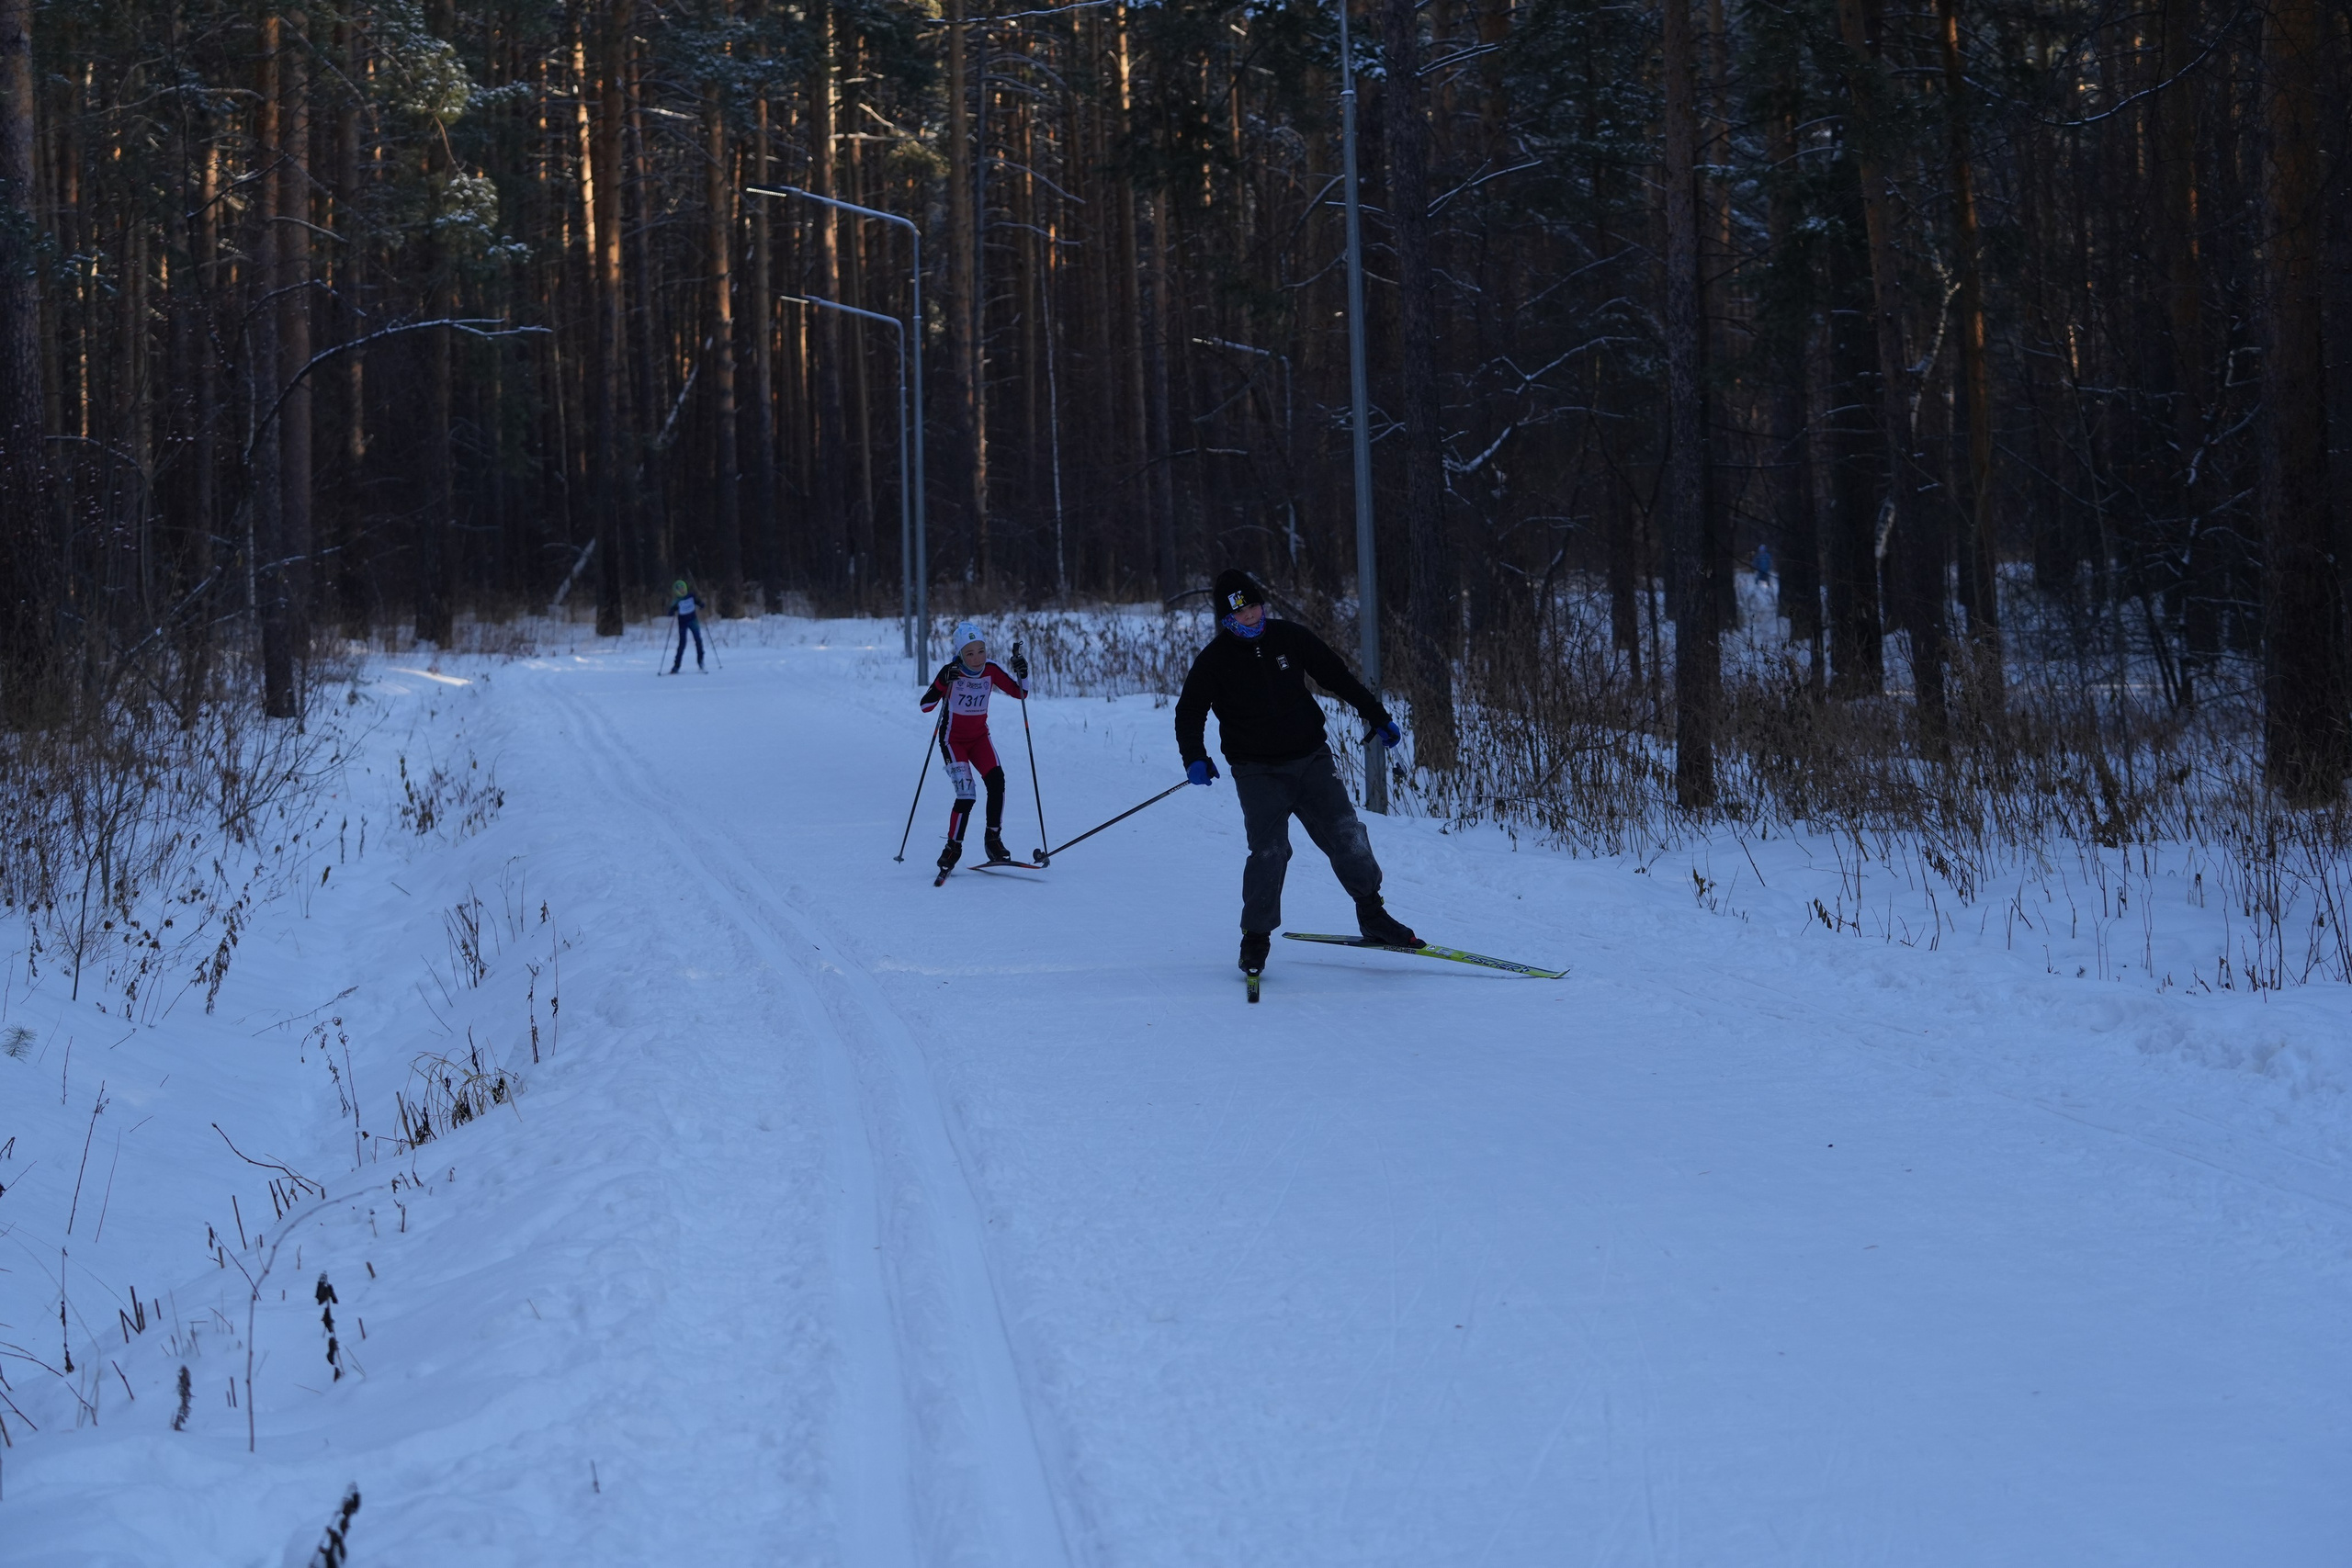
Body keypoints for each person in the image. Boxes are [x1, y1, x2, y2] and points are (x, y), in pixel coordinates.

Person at [1175, 570, 1419, 978]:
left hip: (1311, 760)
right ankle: (1255, 937)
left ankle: (1373, 915)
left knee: (1347, 834)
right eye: (1241, 612)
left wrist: (1377, 716)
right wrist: (1194, 757)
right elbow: (1189, 712)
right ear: (1225, 618)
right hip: (1257, 771)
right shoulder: (1214, 661)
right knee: (1270, 852)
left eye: (1254, 606)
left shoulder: (1290, 637)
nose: (1251, 616)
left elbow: (1337, 676)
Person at [921, 622, 1031, 873]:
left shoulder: (991, 669)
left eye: (981, 650)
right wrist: (941, 682)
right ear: (960, 654)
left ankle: (993, 839)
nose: (977, 658)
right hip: (953, 741)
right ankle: (952, 848)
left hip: (980, 738)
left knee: (996, 781)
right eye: (969, 653)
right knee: (967, 795)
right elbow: (925, 706)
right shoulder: (952, 671)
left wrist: (1023, 672)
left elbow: (1020, 693)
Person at [668, 579, 705, 673]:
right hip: (683, 623)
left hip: (693, 621)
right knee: (682, 643)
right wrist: (672, 610)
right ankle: (676, 665)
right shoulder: (677, 600)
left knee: (698, 640)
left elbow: (699, 602)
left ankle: (700, 661)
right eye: (679, 589)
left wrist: (701, 604)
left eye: (683, 588)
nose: (682, 590)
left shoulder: (691, 596)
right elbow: (670, 611)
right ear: (676, 591)